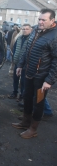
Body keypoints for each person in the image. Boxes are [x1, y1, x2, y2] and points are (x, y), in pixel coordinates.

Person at [12, 8, 57, 139]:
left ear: (52, 20)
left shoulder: (54, 36)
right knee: (26, 97)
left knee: (38, 102)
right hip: (29, 73)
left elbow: (56, 61)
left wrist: (49, 80)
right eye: (39, 19)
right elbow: (27, 49)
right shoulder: (36, 30)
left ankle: (33, 129)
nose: (41, 22)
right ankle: (25, 121)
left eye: (44, 20)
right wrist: (20, 65)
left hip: (42, 77)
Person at [8, 24, 32, 100]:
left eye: (27, 29)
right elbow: (14, 49)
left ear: (30, 30)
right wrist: (14, 58)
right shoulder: (19, 38)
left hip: (25, 65)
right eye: (23, 29)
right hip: (17, 62)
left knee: (23, 82)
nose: (25, 30)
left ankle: (22, 95)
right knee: (15, 79)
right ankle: (15, 93)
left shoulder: (31, 39)